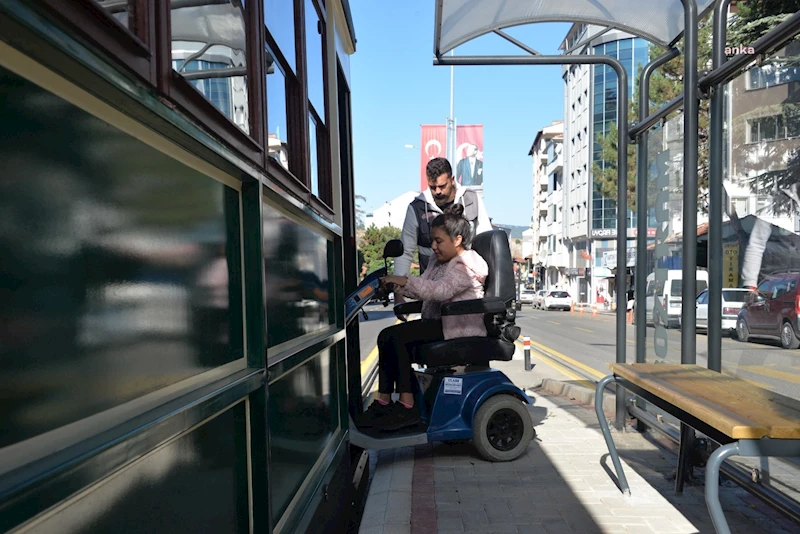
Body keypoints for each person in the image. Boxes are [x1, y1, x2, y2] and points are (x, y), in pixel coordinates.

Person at [358, 204, 489, 431]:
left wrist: (402, 281)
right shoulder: (438, 262)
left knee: (399, 337)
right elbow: (424, 287)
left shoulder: (466, 266)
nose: (434, 246)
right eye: (433, 241)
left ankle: (408, 406)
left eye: (439, 241)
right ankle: (384, 401)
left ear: (457, 240)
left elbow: (439, 291)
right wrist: (396, 286)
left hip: (459, 327)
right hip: (439, 323)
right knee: (387, 335)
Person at [395, 157, 491, 295]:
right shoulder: (417, 208)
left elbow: (486, 241)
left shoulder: (471, 199)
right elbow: (404, 252)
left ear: (452, 179)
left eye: (442, 186)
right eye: (433, 187)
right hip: (431, 286)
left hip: (467, 286)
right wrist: (398, 292)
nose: (438, 191)